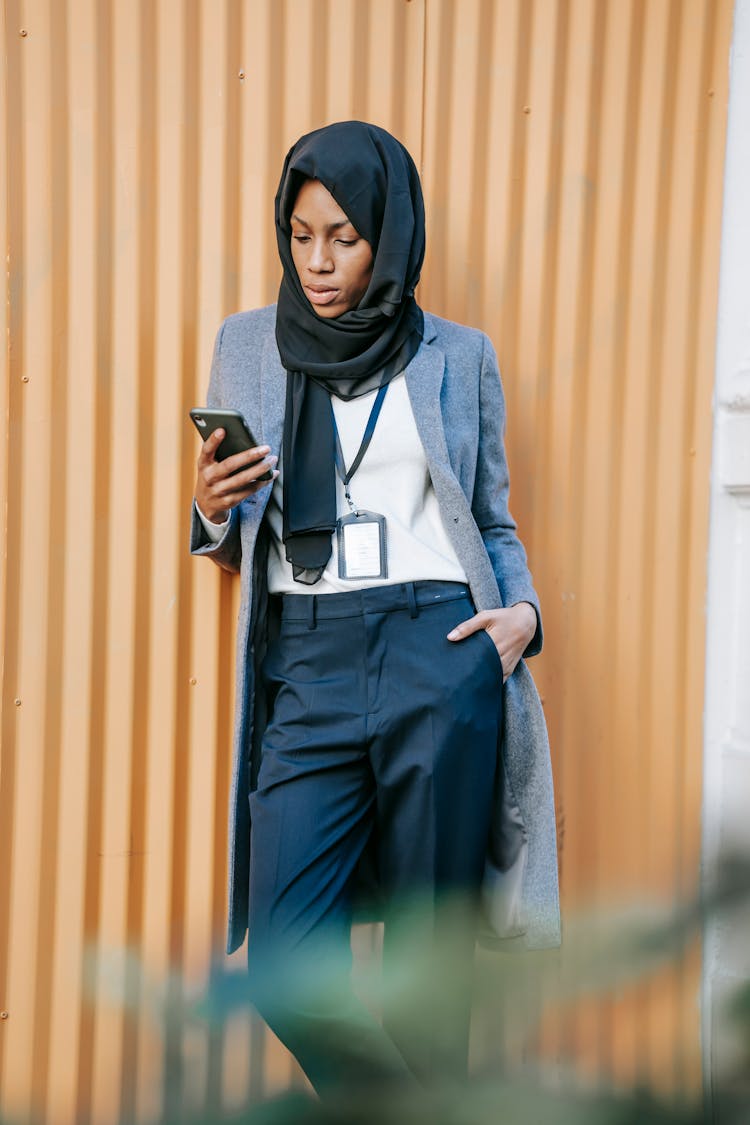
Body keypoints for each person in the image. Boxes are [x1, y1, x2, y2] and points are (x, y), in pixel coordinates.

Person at [191, 121, 560, 1095]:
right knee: (284, 958)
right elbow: (234, 531)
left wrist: (521, 616)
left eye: (344, 239)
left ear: (388, 235)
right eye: (302, 234)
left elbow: (489, 516)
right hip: (305, 659)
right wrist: (209, 508)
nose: (317, 261)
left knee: (427, 975)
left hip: (440, 648)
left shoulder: (457, 356)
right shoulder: (246, 347)